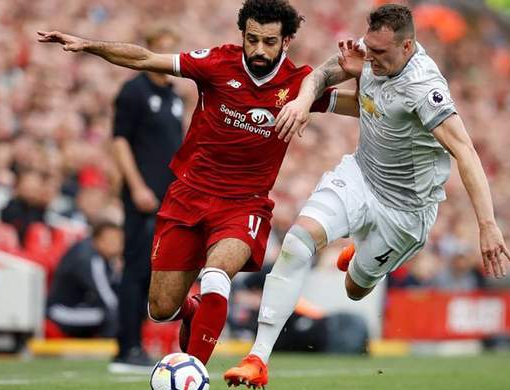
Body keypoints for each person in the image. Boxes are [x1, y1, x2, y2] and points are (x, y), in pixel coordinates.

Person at [38, 0, 357, 368]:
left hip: (244, 204)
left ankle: (194, 373)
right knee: (160, 308)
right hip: (188, 196)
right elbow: (146, 59)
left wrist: (370, 78)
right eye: (251, 39)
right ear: (242, 35)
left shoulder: (299, 86)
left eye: (269, 42)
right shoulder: (217, 63)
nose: (258, 49)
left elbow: (357, 106)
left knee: (216, 275)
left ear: (286, 41)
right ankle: (192, 310)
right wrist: (88, 44)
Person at [224, 3, 510, 389]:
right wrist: (303, 102)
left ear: (407, 47)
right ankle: (258, 358)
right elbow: (321, 74)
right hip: (360, 176)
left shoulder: (424, 88)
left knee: (355, 289)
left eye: (379, 52)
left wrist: (487, 225)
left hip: (406, 212)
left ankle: (359, 253)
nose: (370, 56)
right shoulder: (371, 50)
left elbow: (466, 152)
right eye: (369, 47)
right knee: (296, 243)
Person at [109, 24, 185, 372]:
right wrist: (137, 186)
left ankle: (137, 344)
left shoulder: (173, 96)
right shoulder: (134, 91)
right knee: (136, 268)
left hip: (168, 197)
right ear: (150, 49)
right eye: (161, 47)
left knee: (154, 270)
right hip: (143, 196)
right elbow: (120, 140)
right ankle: (126, 347)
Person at [47, 221, 123, 338]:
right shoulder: (90, 257)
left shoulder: (97, 254)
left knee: (112, 312)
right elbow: (107, 298)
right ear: (98, 240)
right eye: (112, 240)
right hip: (61, 311)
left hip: (77, 308)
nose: (118, 245)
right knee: (112, 315)